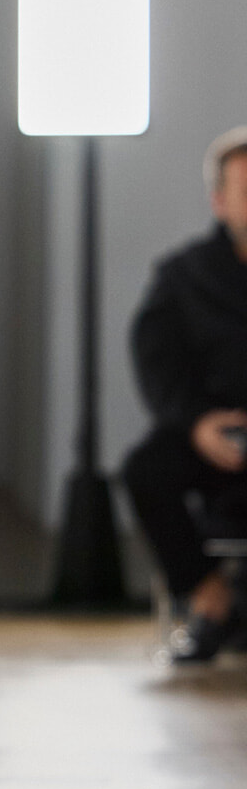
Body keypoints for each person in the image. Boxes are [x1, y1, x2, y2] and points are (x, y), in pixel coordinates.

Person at [122, 125, 247, 663]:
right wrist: (196, 423)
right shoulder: (185, 275)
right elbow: (156, 359)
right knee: (146, 471)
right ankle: (212, 602)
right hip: (211, 435)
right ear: (220, 201)